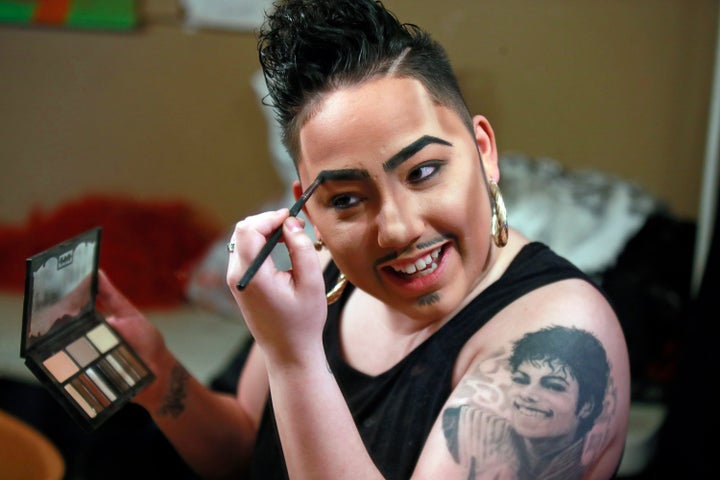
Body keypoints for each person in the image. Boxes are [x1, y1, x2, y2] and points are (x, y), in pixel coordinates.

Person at [98, 1, 631, 478]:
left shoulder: (557, 341)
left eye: (423, 172)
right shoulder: (327, 281)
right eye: (346, 200)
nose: (397, 229)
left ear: (483, 150)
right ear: (307, 207)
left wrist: (294, 357)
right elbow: (244, 449)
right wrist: (155, 370)